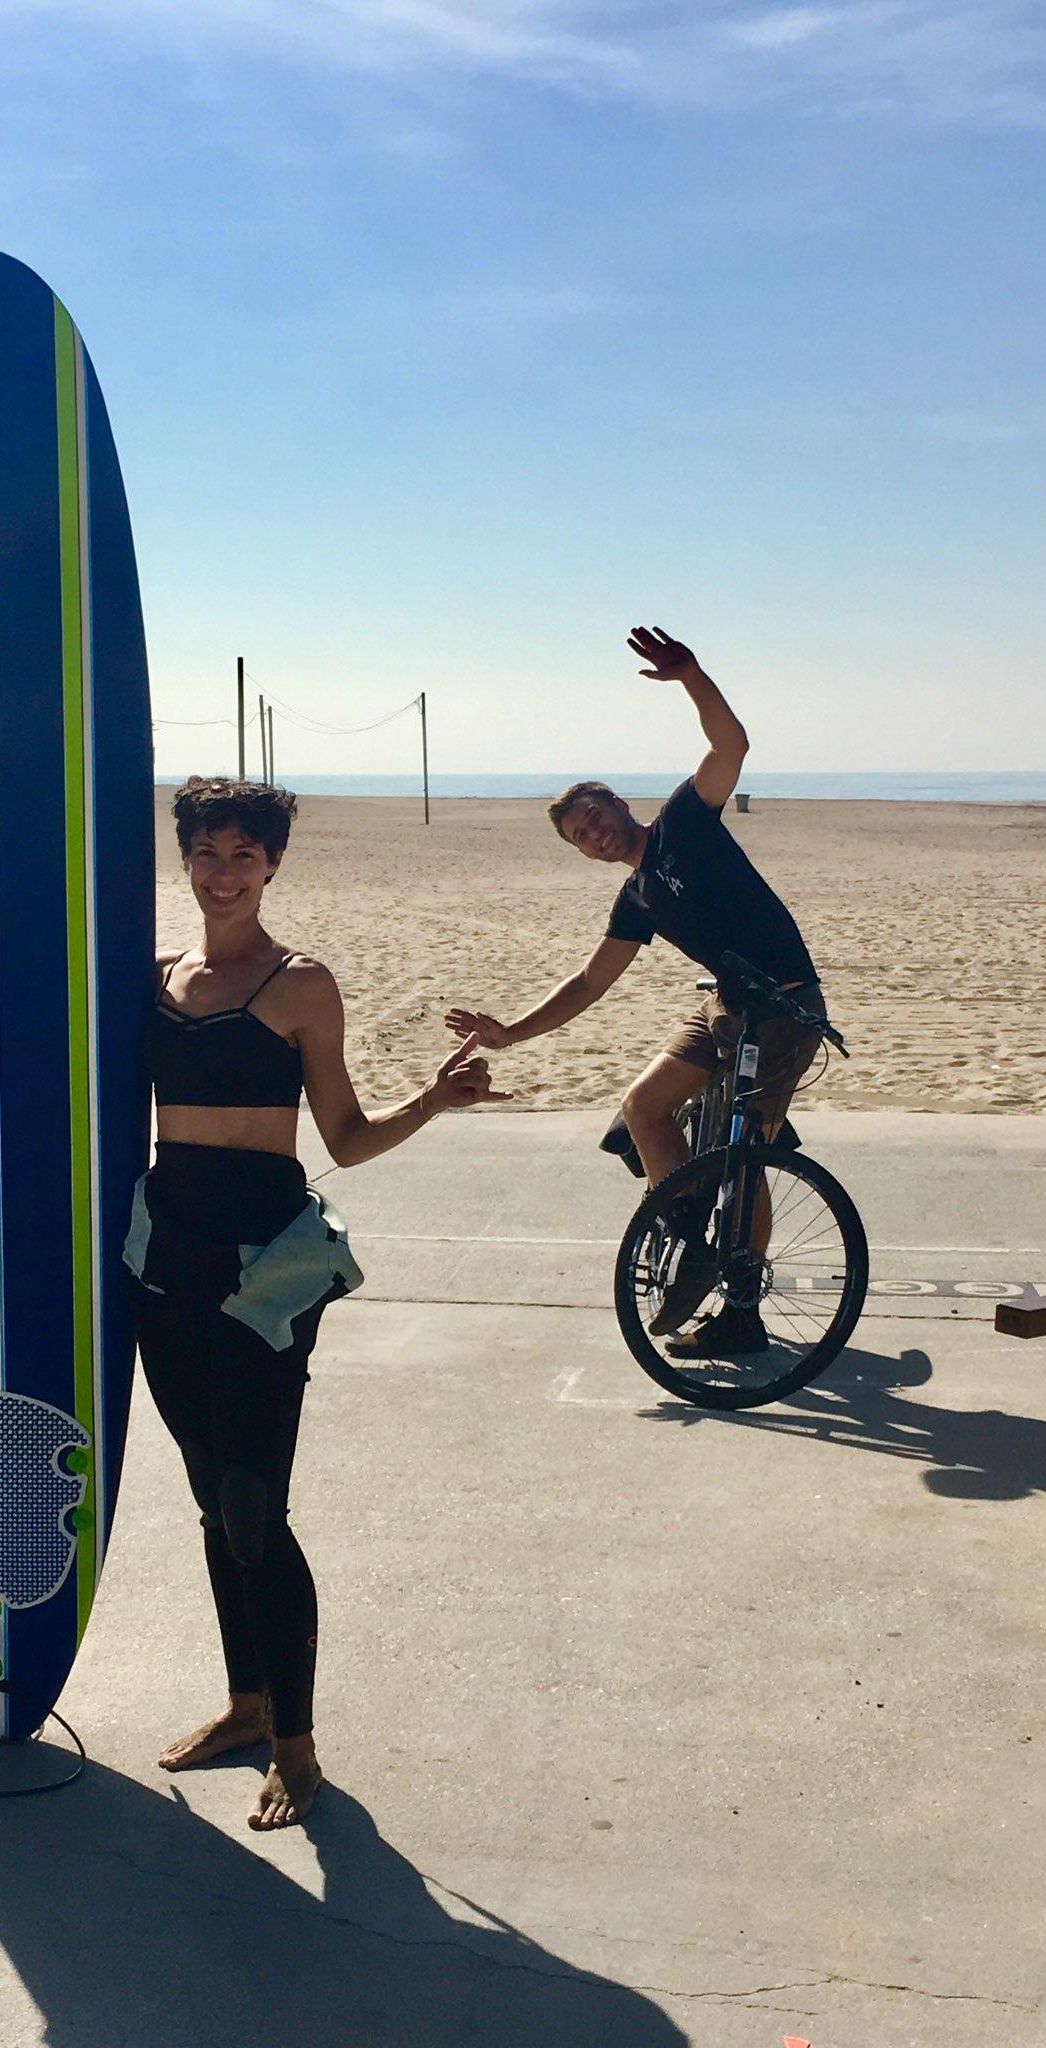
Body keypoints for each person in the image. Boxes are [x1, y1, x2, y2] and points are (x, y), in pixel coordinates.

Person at [129, 775, 505, 1831]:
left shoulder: (301, 984)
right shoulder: (154, 977)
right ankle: (246, 1703)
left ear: (274, 865)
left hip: (268, 1271)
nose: (223, 872)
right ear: (186, 859)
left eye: (246, 854)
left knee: (256, 1506)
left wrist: (433, 1099)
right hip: (168, 1265)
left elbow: (342, 1134)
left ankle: (297, 1746)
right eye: (207, 852)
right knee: (212, 1500)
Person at [446, 627, 827, 1359]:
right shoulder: (636, 898)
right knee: (643, 1106)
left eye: (594, 819)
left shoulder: (686, 820)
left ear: (618, 804)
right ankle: (689, 1232)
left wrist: (692, 676)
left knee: (746, 1162)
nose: (594, 836)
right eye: (580, 838)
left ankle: (741, 1314)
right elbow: (591, 981)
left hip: (782, 1004)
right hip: (725, 1005)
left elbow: (731, 748)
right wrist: (512, 1033)